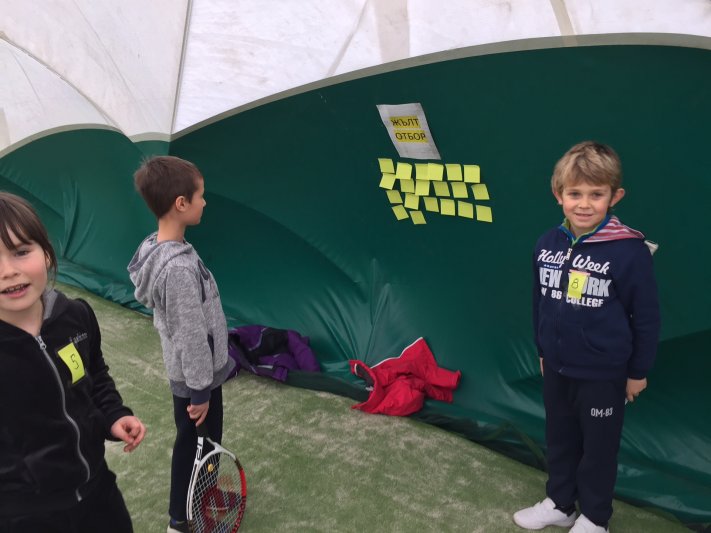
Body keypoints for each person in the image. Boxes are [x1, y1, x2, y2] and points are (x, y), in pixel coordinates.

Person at [513, 141, 661, 533]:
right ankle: (561, 503)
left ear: (615, 196)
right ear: (558, 194)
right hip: (556, 367)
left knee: (598, 450)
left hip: (603, 374)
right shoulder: (547, 243)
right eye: (575, 193)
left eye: (596, 194)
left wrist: (638, 371)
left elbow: (646, 317)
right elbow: (540, 302)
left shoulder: (629, 251)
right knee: (560, 438)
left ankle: (595, 518)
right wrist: (543, 350)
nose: (584, 204)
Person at [0, 192, 146, 533]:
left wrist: (114, 415)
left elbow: (95, 376)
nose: (8, 271)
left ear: (47, 253)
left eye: (21, 251)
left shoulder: (76, 316)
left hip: (99, 494)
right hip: (24, 517)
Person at [127, 156, 235, 533]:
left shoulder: (161, 247)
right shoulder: (177, 269)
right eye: (200, 195)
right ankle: (180, 519)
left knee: (205, 442)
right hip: (196, 382)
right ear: (181, 203)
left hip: (196, 376)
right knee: (196, 444)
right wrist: (200, 391)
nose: (205, 202)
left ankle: (204, 496)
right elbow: (190, 336)